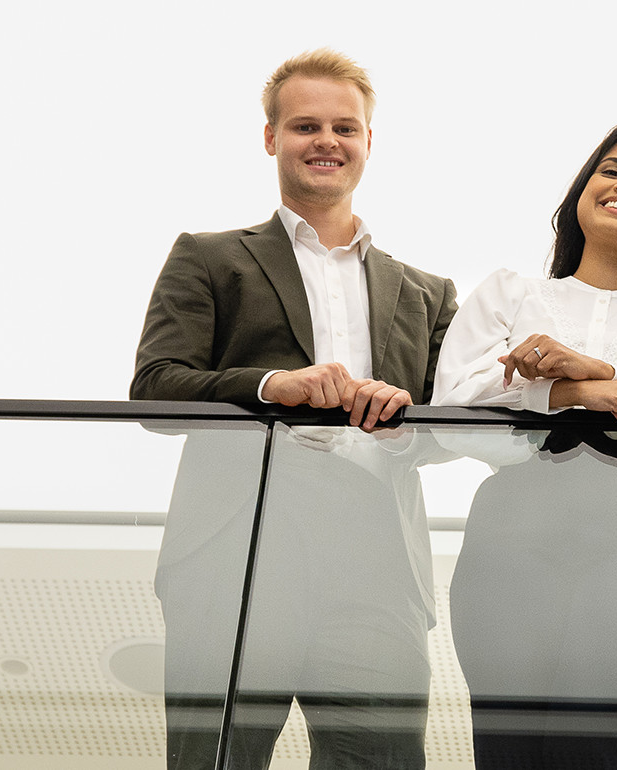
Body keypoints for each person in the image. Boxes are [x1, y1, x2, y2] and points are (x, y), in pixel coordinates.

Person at [131, 49, 457, 770]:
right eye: (305, 125)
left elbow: (446, 430)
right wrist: (269, 385)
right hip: (239, 546)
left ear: (370, 141)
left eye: (345, 127)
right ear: (271, 137)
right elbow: (155, 387)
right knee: (216, 760)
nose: (326, 141)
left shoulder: (429, 292)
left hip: (376, 561)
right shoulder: (209, 257)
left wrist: (406, 422)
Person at [431, 123, 617, 769]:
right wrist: (571, 394)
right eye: (613, 170)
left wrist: (602, 375)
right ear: (583, 189)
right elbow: (452, 417)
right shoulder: (512, 291)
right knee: (506, 749)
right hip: (511, 547)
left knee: (600, 747)